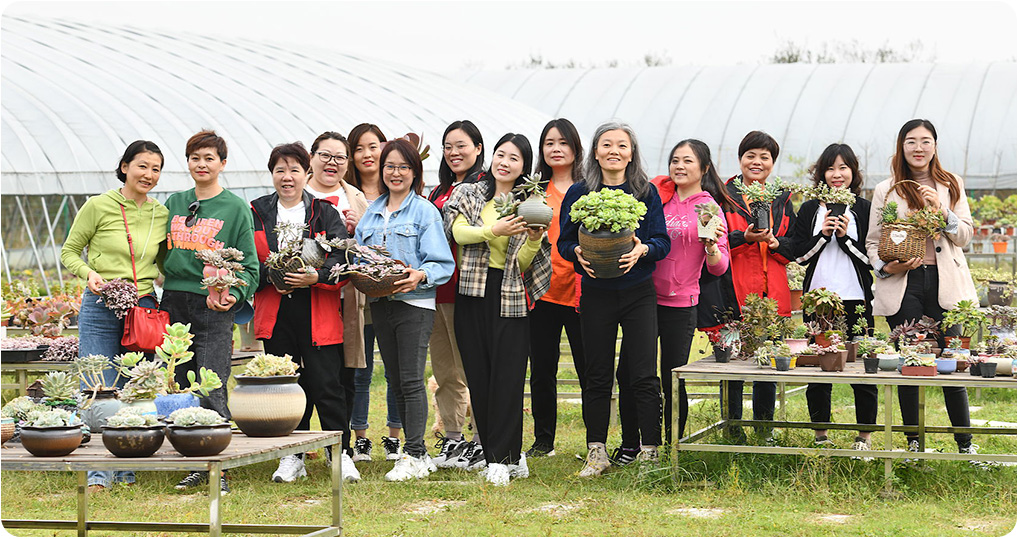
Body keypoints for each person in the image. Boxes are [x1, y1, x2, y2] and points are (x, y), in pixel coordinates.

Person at [557, 122, 670, 477]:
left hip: (638, 292)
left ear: (631, 153)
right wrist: (576, 252)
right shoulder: (580, 192)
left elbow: (662, 241)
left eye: (622, 145)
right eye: (607, 144)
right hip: (597, 292)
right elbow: (564, 242)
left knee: (643, 373)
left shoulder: (645, 192)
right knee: (597, 373)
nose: (614, 151)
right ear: (595, 152)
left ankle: (650, 450)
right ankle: (597, 452)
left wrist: (643, 250)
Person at [864, 119, 979, 457]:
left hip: (945, 282)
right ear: (901, 147)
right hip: (905, 284)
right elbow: (873, 242)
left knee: (951, 360)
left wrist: (941, 210)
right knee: (910, 362)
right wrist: (886, 267)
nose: (918, 148)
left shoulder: (951, 184)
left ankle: (965, 444)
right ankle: (914, 442)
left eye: (925, 141)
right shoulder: (887, 189)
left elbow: (965, 236)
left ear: (935, 146)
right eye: (911, 141)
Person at [60, 140, 168, 493]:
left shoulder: (161, 213)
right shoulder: (98, 205)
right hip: (100, 304)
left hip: (143, 308)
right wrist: (88, 273)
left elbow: (165, 263)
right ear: (125, 167)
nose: (148, 174)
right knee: (97, 387)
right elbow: (69, 251)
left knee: (135, 388)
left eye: (155, 169)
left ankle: (127, 467)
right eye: (142, 166)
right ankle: (97, 474)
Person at [445, 132, 552, 486]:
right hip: (471, 292)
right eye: (501, 154)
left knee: (508, 377)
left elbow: (520, 264)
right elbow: (459, 233)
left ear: (524, 168)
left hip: (508, 292)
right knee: (479, 376)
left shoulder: (530, 204)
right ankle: (504, 455)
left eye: (514, 158)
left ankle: (501, 459)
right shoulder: (469, 193)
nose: (505, 163)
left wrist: (533, 239)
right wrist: (494, 229)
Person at [251, 142, 359, 483]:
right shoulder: (256, 211)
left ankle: (340, 453)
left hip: (317, 309)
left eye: (294, 170)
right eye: (280, 170)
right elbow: (247, 260)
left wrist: (317, 276)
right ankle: (291, 456)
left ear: (306, 173)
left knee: (327, 383)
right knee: (285, 385)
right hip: (276, 309)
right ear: (272, 174)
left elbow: (343, 258)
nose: (287, 177)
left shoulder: (324, 212)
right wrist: (273, 277)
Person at [617, 139, 729, 451]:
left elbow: (719, 267)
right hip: (642, 299)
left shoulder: (708, 208)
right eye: (675, 160)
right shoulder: (656, 197)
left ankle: (671, 446)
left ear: (704, 168)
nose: (679, 166)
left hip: (681, 304)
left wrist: (711, 247)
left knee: (672, 378)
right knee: (629, 373)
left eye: (687, 161)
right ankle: (631, 444)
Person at [163, 130, 259, 494]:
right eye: (195, 158)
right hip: (174, 302)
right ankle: (192, 462)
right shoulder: (175, 202)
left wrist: (234, 293)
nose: (201, 165)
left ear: (222, 163)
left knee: (211, 381)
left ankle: (219, 468)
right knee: (179, 384)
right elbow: (159, 253)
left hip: (212, 305)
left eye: (209, 158)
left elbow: (250, 266)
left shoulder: (235, 208)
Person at [354, 138, 455, 481]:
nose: (395, 173)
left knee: (411, 379)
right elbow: (359, 256)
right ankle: (419, 454)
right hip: (381, 303)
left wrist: (420, 275)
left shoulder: (424, 211)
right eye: (390, 167)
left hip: (415, 304)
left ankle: (413, 453)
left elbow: (441, 263)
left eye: (403, 167)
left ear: (415, 172)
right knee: (395, 378)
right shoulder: (372, 213)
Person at [792, 143, 877, 451]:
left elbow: (871, 260)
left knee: (862, 367)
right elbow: (800, 256)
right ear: (821, 174)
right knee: (819, 367)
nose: (836, 174)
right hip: (818, 300)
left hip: (856, 298)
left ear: (854, 172)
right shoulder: (810, 209)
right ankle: (821, 434)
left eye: (843, 167)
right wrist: (824, 234)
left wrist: (844, 239)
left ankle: (864, 436)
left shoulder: (865, 209)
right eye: (830, 168)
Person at [718, 130, 797, 441]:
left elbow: (795, 245)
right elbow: (713, 240)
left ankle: (765, 430)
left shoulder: (782, 198)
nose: (757, 162)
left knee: (769, 363)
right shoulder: (723, 195)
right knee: (732, 364)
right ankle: (732, 430)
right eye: (750, 155)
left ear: (772, 163)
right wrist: (744, 238)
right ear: (740, 159)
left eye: (765, 157)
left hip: (772, 293)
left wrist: (777, 244)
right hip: (733, 291)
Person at [303, 131, 369, 463]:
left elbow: (373, 250)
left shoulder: (355, 198)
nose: (332, 163)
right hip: (307, 296)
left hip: (346, 298)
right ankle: (299, 447)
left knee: (344, 373)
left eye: (340, 157)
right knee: (305, 373)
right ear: (311, 158)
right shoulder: (296, 193)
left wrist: (359, 231)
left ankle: (339, 447)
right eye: (325, 156)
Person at [526, 118, 587, 458]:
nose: (556, 149)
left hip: (580, 292)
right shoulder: (534, 191)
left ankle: (595, 441)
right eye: (549, 143)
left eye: (563, 142)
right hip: (542, 292)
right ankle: (543, 440)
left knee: (589, 370)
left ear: (576, 148)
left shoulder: (589, 189)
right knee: (542, 371)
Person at [427, 120, 485, 469]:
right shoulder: (437, 192)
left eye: (461, 145)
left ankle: (482, 437)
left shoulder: (485, 187)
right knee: (445, 368)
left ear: (478, 148)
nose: (454, 152)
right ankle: (453, 436)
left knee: (472, 366)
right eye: (448, 147)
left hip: (470, 290)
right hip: (437, 290)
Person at [345, 123, 403, 461]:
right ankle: (361, 438)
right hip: (358, 295)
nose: (367, 154)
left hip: (394, 291)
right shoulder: (345, 193)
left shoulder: (398, 187)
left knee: (395, 368)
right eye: (359, 148)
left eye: (373, 146)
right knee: (360, 369)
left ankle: (394, 437)